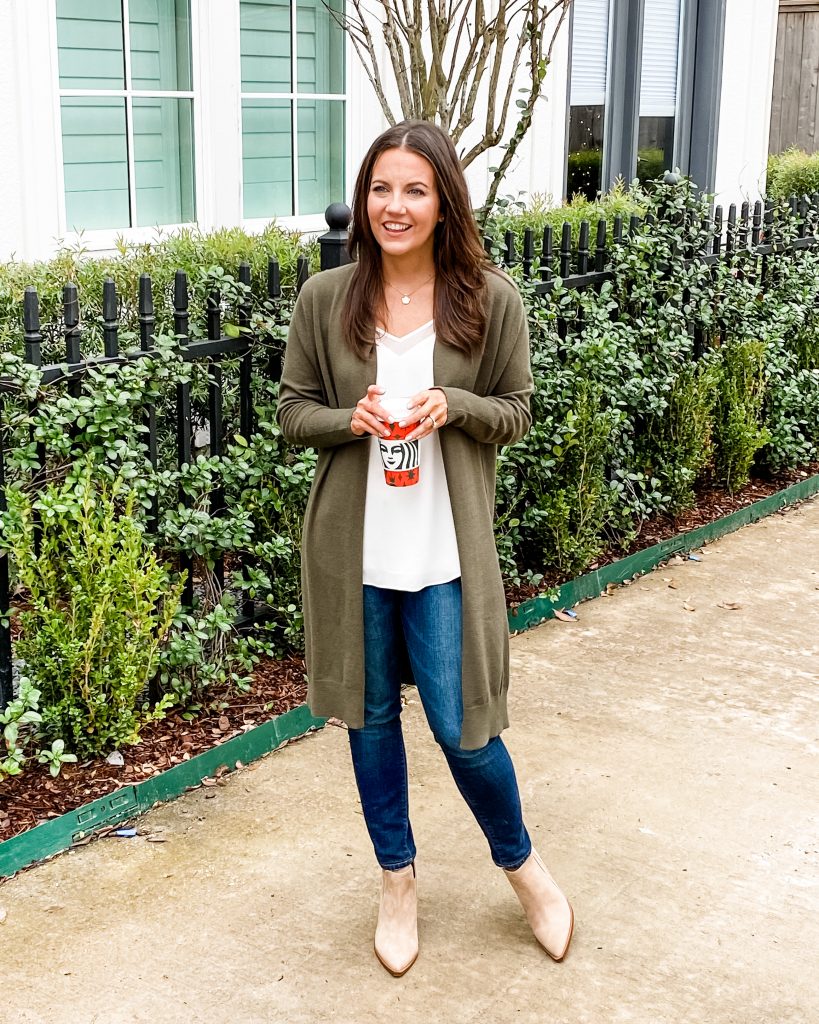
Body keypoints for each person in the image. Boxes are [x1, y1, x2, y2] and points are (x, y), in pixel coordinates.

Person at [276, 120, 573, 976]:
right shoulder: (324, 299)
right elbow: (295, 412)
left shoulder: (488, 298)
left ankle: (523, 868)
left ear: (443, 200)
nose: (393, 206)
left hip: (443, 553)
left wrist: (455, 403)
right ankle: (396, 881)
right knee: (369, 725)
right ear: (363, 199)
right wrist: (350, 419)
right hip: (353, 555)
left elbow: (514, 409)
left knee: (464, 728)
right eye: (379, 188)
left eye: (413, 189)